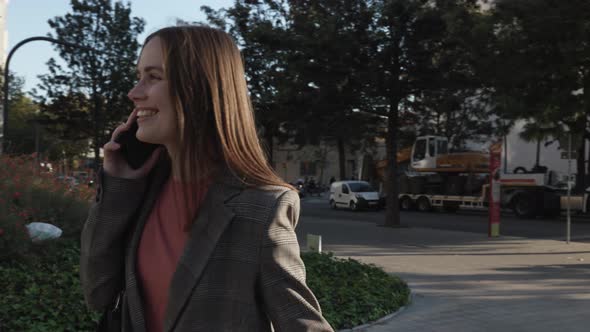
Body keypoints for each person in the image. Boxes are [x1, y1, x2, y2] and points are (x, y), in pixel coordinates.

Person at [80, 25, 334, 332]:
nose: (134, 93)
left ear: (198, 89)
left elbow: (302, 325)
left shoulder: (260, 206)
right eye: (139, 76)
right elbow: (98, 292)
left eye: (154, 77)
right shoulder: (140, 193)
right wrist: (117, 185)